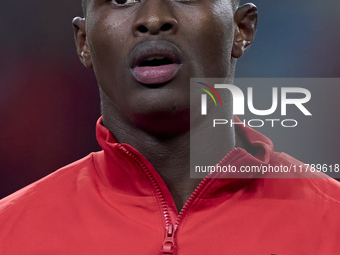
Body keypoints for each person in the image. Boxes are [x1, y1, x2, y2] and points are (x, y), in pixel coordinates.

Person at [1, 0, 339, 254]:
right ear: (84, 40)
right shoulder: (9, 233)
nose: (153, 19)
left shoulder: (332, 223)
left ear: (242, 30)